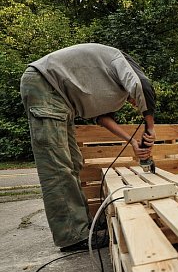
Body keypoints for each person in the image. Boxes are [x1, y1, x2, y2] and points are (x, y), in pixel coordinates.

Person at [20, 43, 156, 252]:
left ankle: (84, 223)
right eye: (137, 102)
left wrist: (133, 142)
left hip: (61, 100)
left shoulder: (112, 90)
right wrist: (150, 127)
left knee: (73, 162)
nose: (135, 105)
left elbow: (102, 118)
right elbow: (143, 86)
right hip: (45, 86)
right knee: (57, 167)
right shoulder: (121, 62)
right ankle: (74, 236)